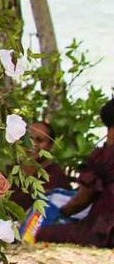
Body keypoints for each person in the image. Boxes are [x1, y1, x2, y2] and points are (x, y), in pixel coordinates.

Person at [35, 97, 114, 247]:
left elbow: (82, 200)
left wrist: (59, 213)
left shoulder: (105, 157)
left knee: (43, 233)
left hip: (105, 232)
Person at [10, 121, 70, 211]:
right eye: (29, 138)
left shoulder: (55, 175)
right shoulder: (11, 167)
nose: (32, 144)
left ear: (51, 146)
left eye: (39, 140)